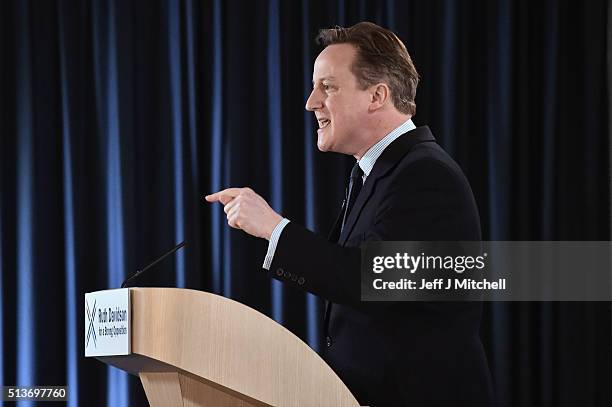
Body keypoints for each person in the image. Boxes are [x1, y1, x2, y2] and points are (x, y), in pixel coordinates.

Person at [206, 22, 494, 406]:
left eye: (328, 86)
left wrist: (274, 229)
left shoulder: (425, 174)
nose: (311, 102)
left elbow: (374, 282)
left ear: (376, 95)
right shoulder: (380, 172)